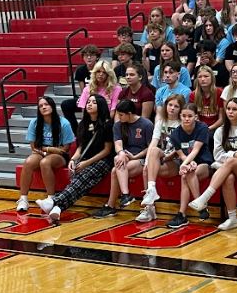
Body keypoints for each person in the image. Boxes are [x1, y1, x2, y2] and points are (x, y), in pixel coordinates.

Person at [36, 94, 115, 223]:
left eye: (93, 102)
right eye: (88, 102)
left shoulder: (107, 124)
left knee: (84, 177)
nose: (89, 104)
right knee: (79, 181)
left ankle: (54, 201)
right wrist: (73, 159)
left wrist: (86, 163)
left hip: (103, 160)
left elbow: (107, 150)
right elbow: (81, 147)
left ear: (100, 105)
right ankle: (58, 208)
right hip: (85, 157)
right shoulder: (83, 123)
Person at [189, 98, 237, 230]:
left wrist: (233, 156)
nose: (230, 112)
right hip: (229, 167)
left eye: (234, 109)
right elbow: (217, 155)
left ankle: (204, 197)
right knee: (227, 178)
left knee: (231, 161)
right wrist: (234, 154)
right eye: (228, 109)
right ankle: (232, 219)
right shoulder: (220, 131)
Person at [91, 100, 154, 218]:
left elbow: (151, 148)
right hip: (126, 159)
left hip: (142, 158)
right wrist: (121, 153)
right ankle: (124, 196)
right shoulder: (118, 125)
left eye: (121, 115)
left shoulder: (146, 124)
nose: (118, 117)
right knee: (117, 161)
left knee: (116, 170)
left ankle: (113, 204)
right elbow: (118, 144)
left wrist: (135, 156)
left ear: (129, 113)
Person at [16, 96, 76, 212]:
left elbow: (65, 149)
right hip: (41, 152)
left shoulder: (64, 123)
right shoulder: (34, 123)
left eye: (46, 104)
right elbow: (34, 147)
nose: (44, 107)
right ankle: (23, 198)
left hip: (60, 157)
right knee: (28, 162)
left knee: (45, 162)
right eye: (40, 106)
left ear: (52, 106)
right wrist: (50, 149)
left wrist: (47, 150)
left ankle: (51, 198)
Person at [161, 102, 214, 229]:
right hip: (189, 163)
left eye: (190, 116)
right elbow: (182, 155)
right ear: (180, 116)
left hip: (204, 164)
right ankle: (190, 211)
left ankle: (191, 210)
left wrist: (183, 165)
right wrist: (187, 164)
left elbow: (195, 150)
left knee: (186, 173)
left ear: (196, 117)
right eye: (184, 116)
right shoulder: (175, 134)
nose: (186, 119)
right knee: (186, 175)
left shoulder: (202, 128)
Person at [134, 93, 185, 222]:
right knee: (148, 165)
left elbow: (182, 149)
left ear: (181, 109)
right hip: (161, 157)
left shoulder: (183, 122)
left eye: (176, 106)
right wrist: (147, 161)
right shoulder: (161, 121)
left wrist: (166, 157)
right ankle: (149, 208)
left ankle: (150, 195)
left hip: (176, 159)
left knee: (151, 163)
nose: (172, 108)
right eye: (170, 105)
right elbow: (154, 142)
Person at [61, 44, 102, 133]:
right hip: (87, 97)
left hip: (100, 98)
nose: (89, 58)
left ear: (97, 57)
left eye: (91, 55)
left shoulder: (101, 69)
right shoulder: (80, 70)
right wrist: (85, 100)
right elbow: (83, 90)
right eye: (86, 55)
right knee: (66, 104)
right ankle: (76, 131)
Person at [190, 65, 225, 130]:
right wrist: (202, 129)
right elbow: (194, 117)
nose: (203, 79)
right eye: (200, 77)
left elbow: (221, 119)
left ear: (212, 77)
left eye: (206, 76)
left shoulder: (220, 93)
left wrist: (209, 128)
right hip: (199, 127)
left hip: (217, 128)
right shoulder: (193, 95)